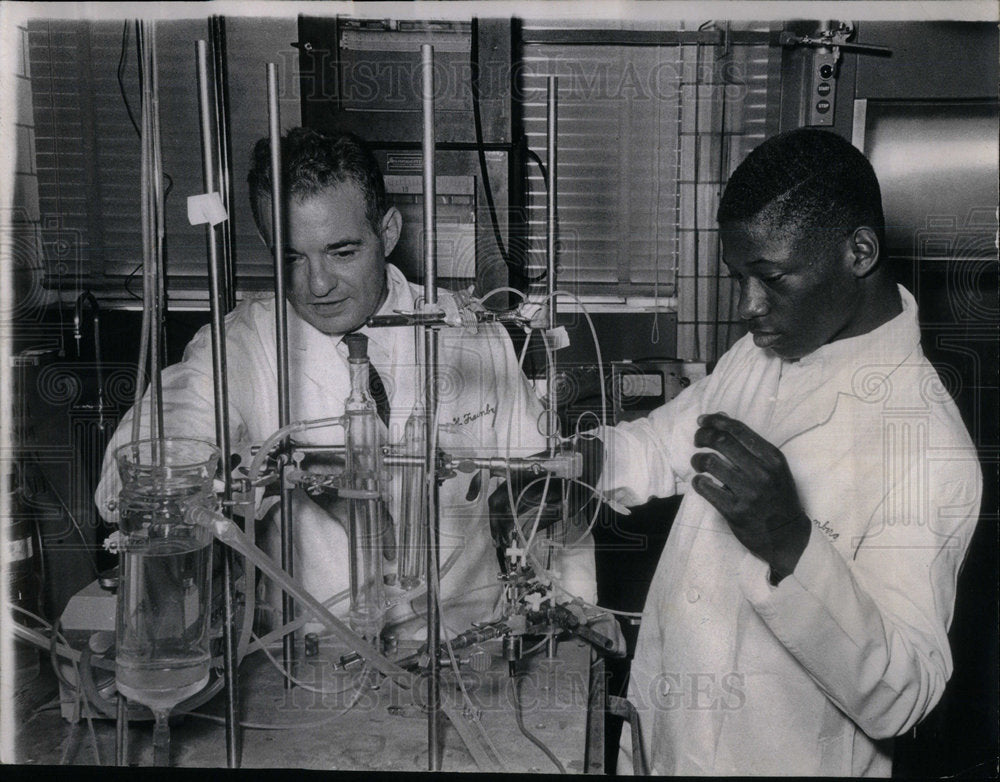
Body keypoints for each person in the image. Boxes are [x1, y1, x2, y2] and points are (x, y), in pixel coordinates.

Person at [502, 128, 981, 776]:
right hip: (665, 738)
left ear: (859, 251)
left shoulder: (927, 446)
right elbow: (669, 442)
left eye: (771, 278)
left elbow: (905, 693)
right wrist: (582, 466)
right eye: (738, 278)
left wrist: (790, 542)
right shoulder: (767, 350)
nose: (748, 308)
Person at [95, 127, 595, 640]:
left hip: (472, 651)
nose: (317, 284)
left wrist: (577, 617)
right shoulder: (241, 348)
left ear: (390, 231)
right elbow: (141, 452)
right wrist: (174, 476)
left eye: (341, 252)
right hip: (317, 663)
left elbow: (546, 500)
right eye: (292, 257)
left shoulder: (469, 333)